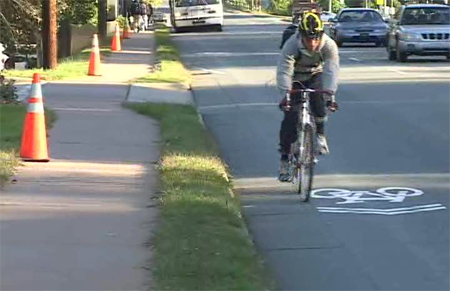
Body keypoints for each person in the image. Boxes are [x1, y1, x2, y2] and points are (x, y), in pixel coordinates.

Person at [276, 11, 340, 182]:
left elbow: (331, 70)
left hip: (315, 74)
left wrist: (330, 94)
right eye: (308, 38)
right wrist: (286, 95)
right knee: (290, 116)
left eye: (315, 38)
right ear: (301, 35)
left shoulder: (329, 45)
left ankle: (319, 135)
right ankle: (284, 160)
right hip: (295, 77)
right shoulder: (292, 44)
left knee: (319, 102)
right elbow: (284, 71)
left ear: (321, 35)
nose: (312, 43)